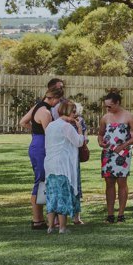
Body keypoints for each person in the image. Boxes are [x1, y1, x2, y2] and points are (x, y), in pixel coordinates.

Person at [21, 77, 65, 230]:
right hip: (42, 146)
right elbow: (50, 134)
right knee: (41, 181)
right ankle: (37, 219)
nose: (57, 104)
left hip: (35, 142)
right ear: (53, 98)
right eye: (57, 101)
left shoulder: (37, 107)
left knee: (41, 180)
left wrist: (35, 131)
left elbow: (23, 122)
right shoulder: (45, 112)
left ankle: (40, 218)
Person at [43, 97, 86, 233]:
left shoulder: (51, 125)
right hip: (62, 165)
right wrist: (79, 129)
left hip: (50, 164)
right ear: (68, 112)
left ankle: (50, 226)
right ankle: (62, 227)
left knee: (52, 195)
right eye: (74, 112)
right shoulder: (66, 127)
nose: (75, 115)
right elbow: (79, 142)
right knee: (62, 195)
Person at [98, 89, 133, 224]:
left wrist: (125, 145)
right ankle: (110, 215)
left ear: (118, 103)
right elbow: (100, 134)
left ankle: (121, 214)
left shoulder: (129, 116)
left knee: (122, 183)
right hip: (108, 153)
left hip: (123, 153)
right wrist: (100, 141)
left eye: (110, 106)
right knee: (109, 184)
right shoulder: (105, 118)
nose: (107, 108)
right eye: (106, 106)